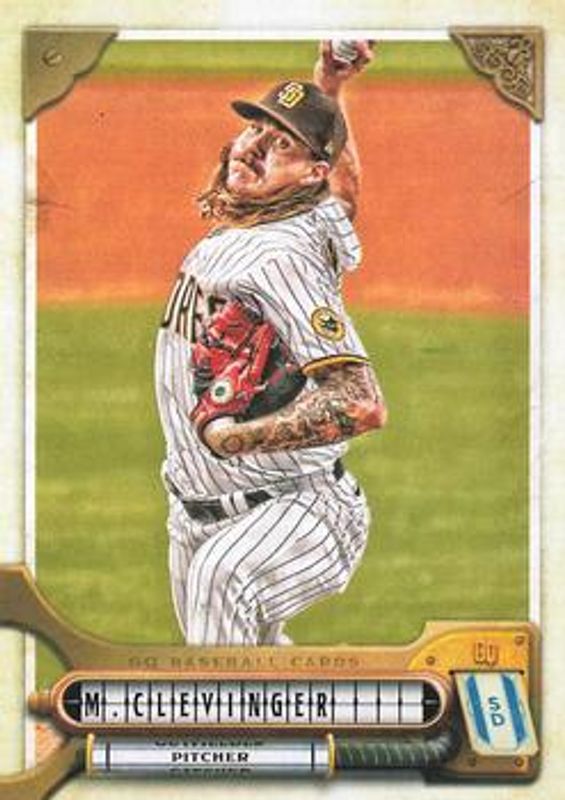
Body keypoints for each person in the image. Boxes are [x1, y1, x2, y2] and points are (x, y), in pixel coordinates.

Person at [155, 41, 387, 646]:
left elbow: (358, 402)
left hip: (296, 511)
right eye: (254, 128)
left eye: (280, 143)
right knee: (253, 668)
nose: (253, 146)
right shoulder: (297, 220)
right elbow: (343, 196)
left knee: (222, 586)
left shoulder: (280, 255)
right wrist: (327, 90)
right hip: (197, 516)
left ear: (309, 173)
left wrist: (235, 438)